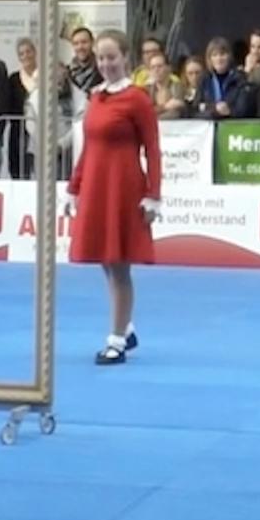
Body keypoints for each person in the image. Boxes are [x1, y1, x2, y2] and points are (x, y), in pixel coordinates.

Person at [64, 29, 162, 366]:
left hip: (124, 189)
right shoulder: (96, 97)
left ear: (125, 59)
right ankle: (126, 326)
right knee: (106, 262)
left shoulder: (137, 99)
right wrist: (75, 186)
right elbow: (89, 146)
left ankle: (117, 339)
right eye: (101, 58)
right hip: (96, 186)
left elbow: (153, 149)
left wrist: (154, 196)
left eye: (112, 57)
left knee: (119, 266)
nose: (106, 64)